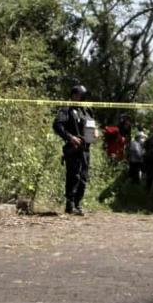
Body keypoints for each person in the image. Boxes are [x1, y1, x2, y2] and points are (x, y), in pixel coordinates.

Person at [53, 84, 94, 216]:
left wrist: (94, 132)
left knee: (83, 178)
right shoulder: (66, 109)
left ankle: (78, 204)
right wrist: (70, 138)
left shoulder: (86, 110)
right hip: (73, 148)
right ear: (74, 95)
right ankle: (69, 205)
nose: (81, 98)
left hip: (86, 149)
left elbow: (90, 124)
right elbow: (57, 125)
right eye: (80, 96)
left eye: (83, 96)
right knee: (73, 176)